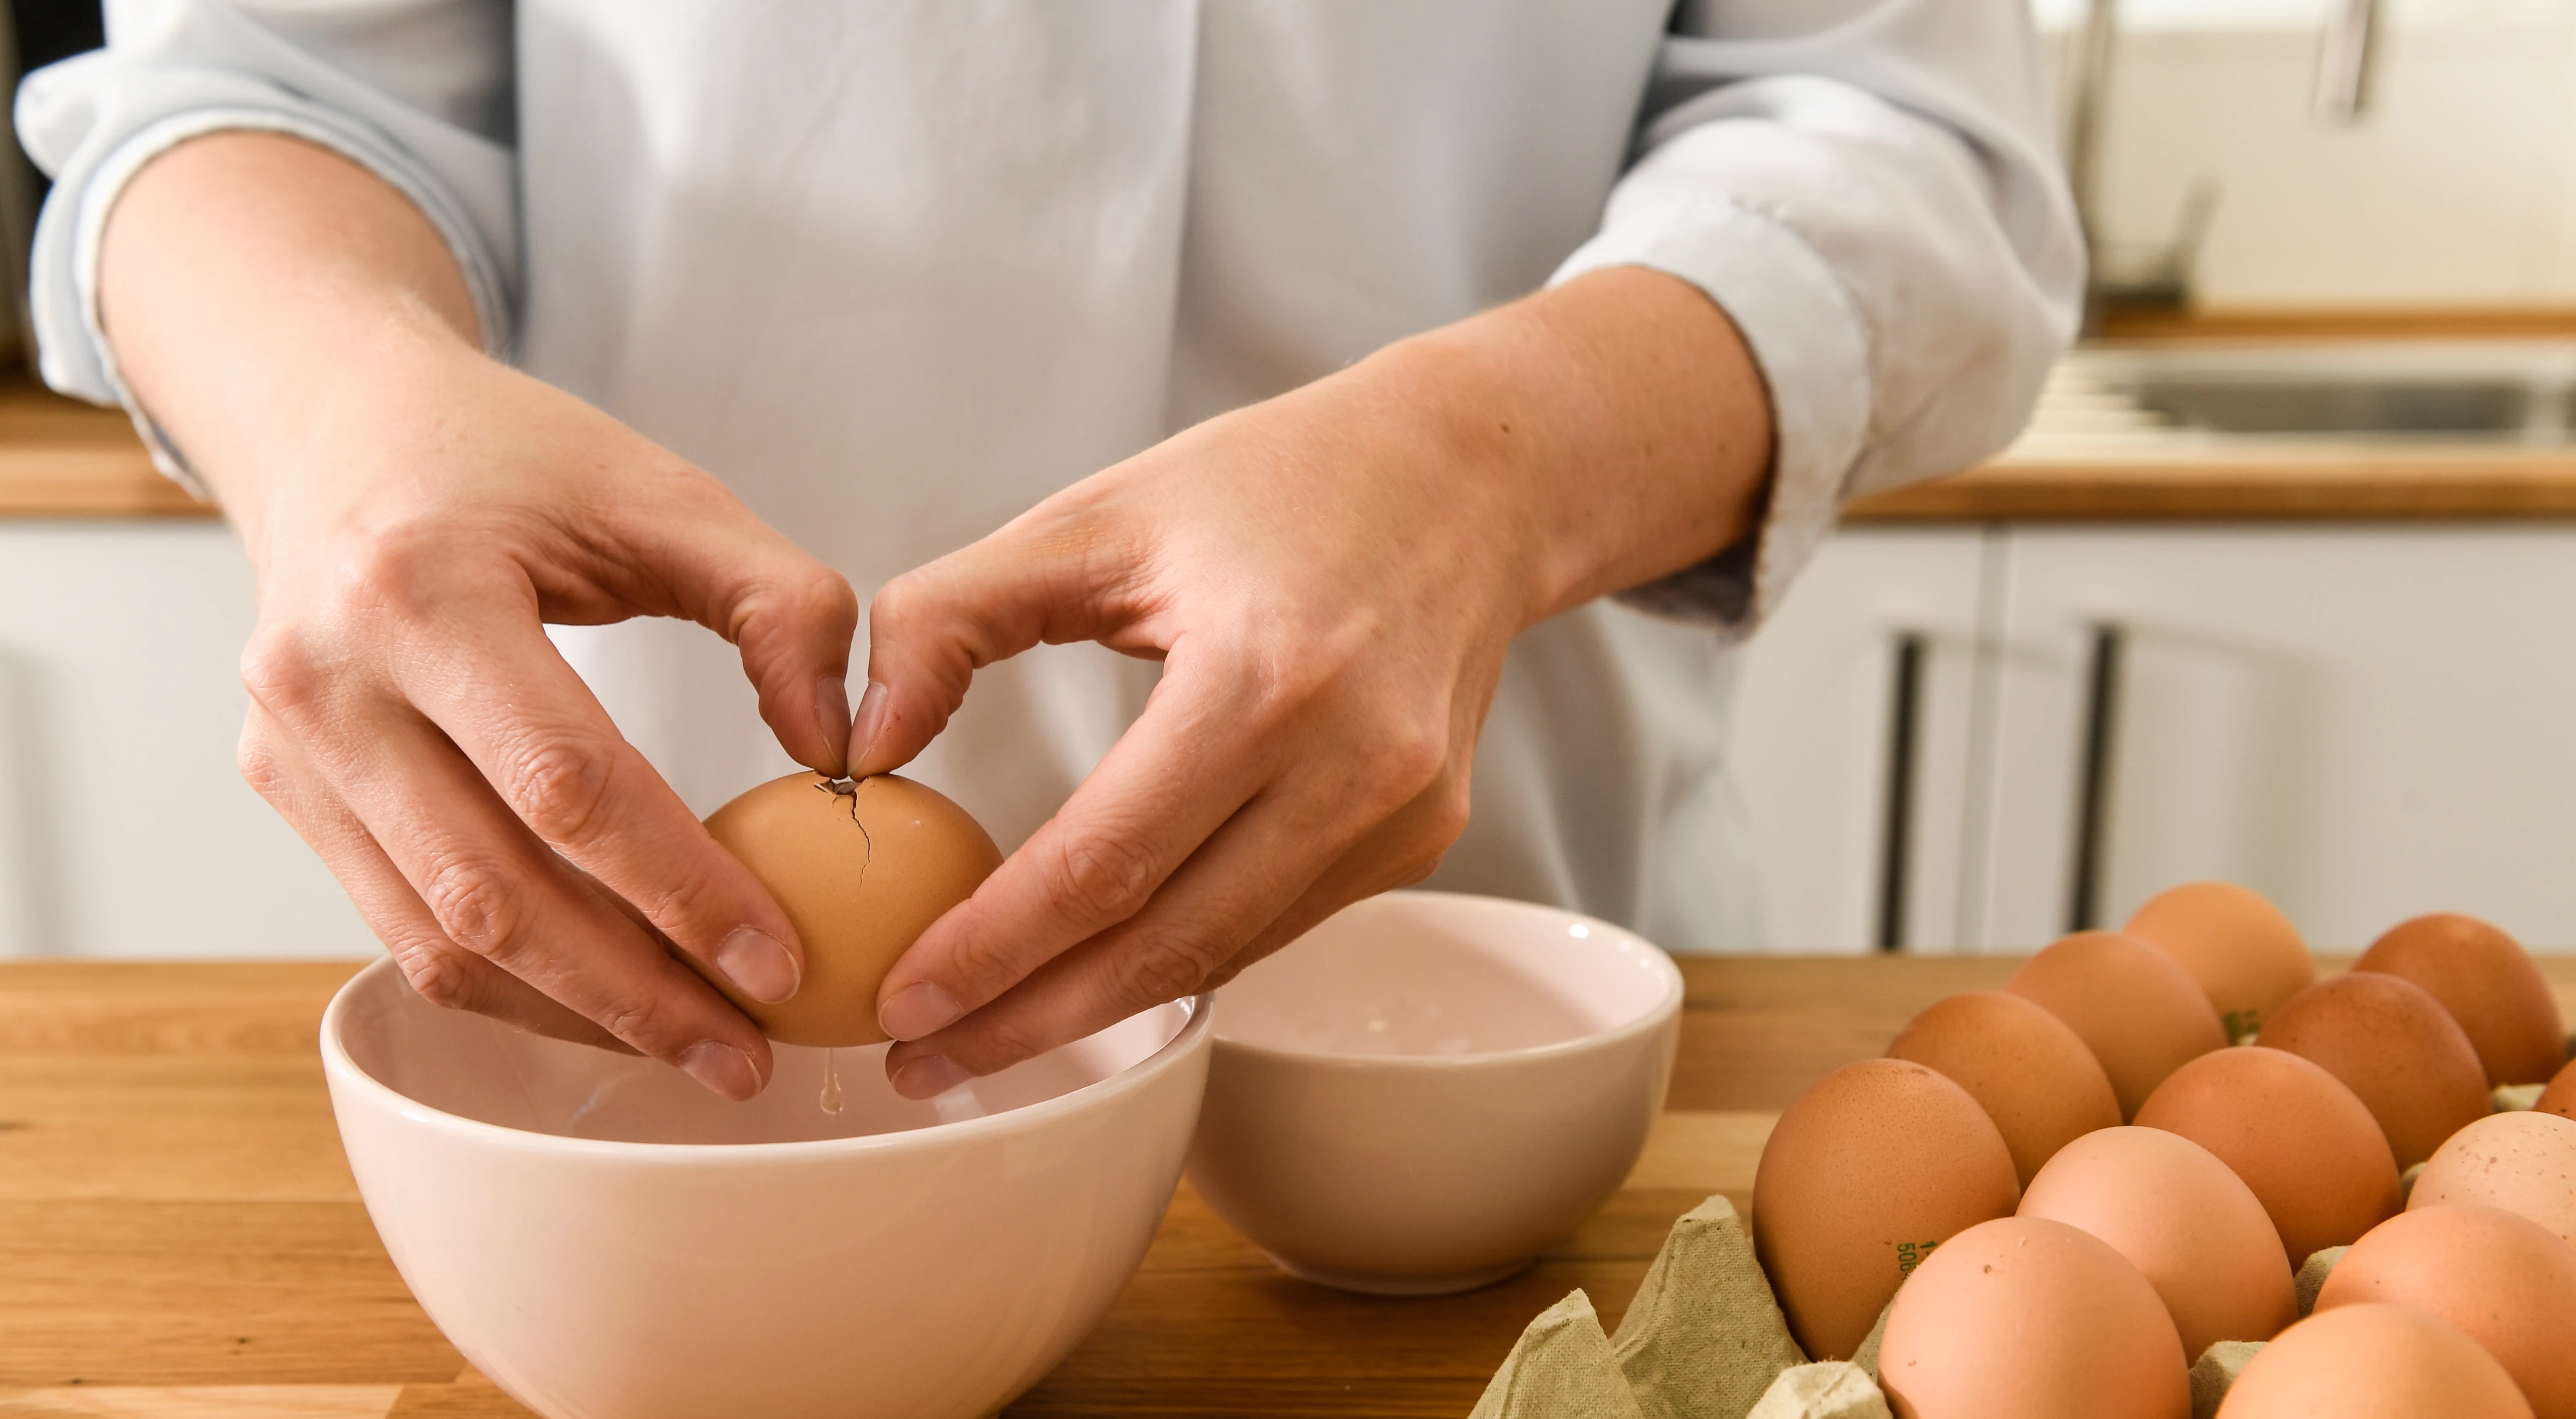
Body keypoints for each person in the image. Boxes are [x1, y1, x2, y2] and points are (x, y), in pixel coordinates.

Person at [15, 1, 2078, 1103]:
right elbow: (255, 90)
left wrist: (1485, 469)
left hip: (1445, 1041)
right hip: (633, 1044)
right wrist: (339, 412)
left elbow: (1905, 145)